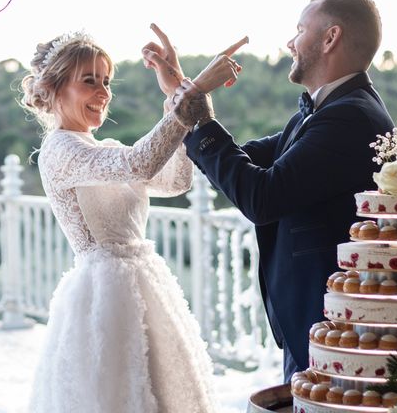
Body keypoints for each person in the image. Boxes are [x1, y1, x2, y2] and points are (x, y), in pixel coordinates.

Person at [147, 0, 395, 383]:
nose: (290, 43)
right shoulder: (329, 110)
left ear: (330, 38)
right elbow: (240, 160)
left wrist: (199, 110)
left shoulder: (350, 117)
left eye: (299, 30)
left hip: (335, 329)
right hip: (315, 326)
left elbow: (260, 196)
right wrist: (185, 92)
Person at [21, 27, 241, 412]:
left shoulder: (102, 148)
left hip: (145, 287)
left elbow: (174, 180)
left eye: (106, 81)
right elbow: (140, 162)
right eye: (89, 81)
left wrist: (178, 93)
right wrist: (192, 93)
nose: (104, 93)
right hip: (104, 297)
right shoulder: (59, 150)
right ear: (55, 89)